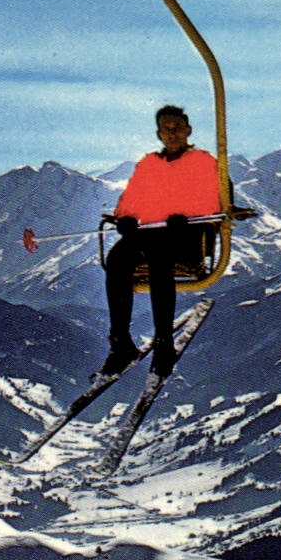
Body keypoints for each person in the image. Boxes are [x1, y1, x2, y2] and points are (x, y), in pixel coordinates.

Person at [102, 104, 223, 377]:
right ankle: (121, 343)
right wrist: (127, 218)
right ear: (159, 133)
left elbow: (211, 198)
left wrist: (189, 216)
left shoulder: (203, 162)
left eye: (177, 128)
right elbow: (130, 199)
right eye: (167, 129)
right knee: (118, 258)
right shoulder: (149, 165)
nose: (172, 134)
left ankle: (163, 343)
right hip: (151, 234)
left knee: (159, 257)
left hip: (188, 235)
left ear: (188, 130)